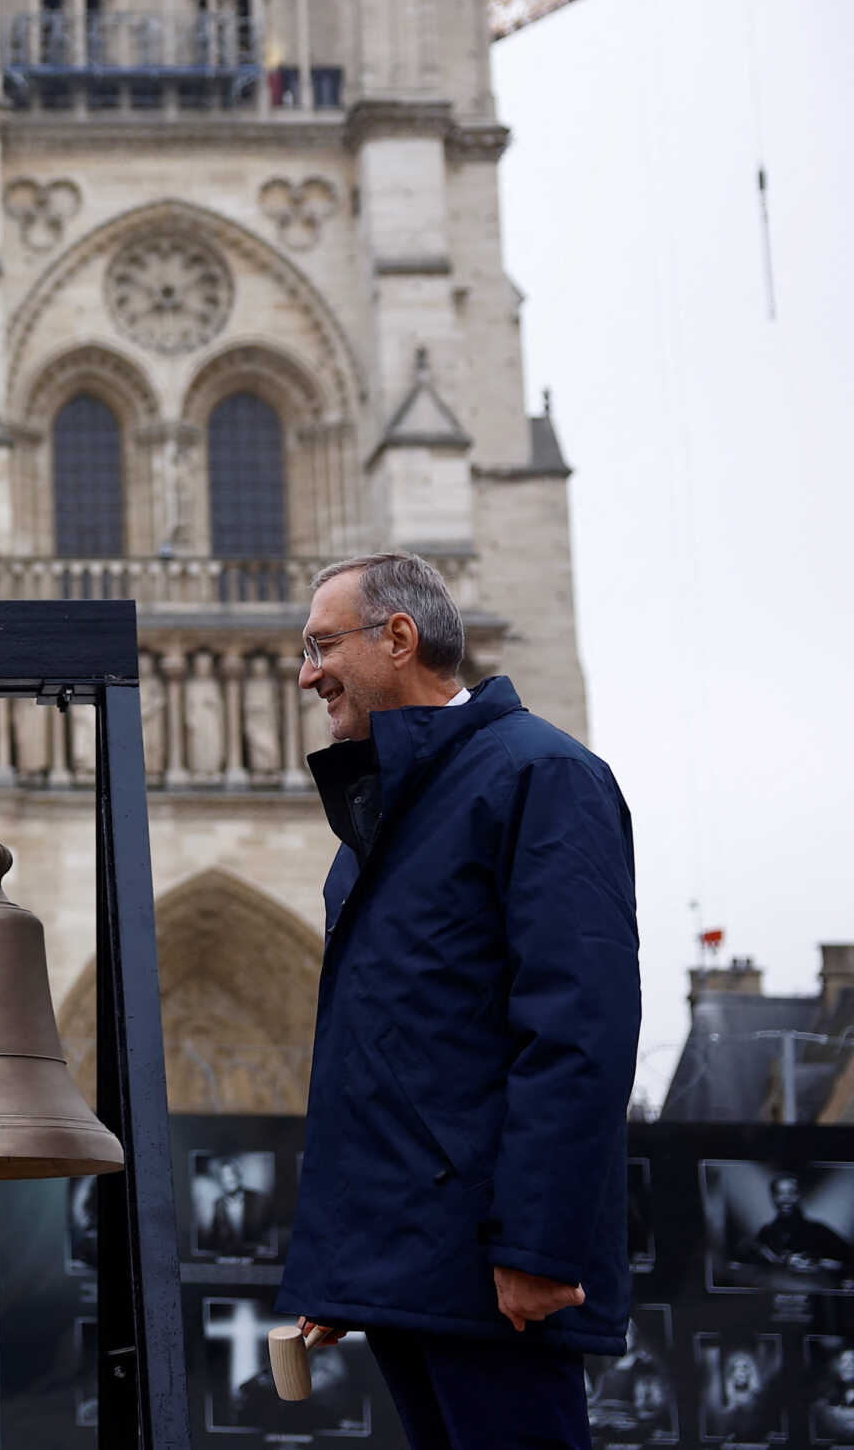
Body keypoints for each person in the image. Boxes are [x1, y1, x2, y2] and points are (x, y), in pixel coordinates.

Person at [278, 553, 639, 1450]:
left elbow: (579, 1027)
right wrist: (347, 1270)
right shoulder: (382, 815)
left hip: (497, 1270)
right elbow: (389, 1062)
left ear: (399, 638)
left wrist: (540, 1245)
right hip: (420, 1267)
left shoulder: (542, 774)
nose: (306, 671)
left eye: (323, 643)